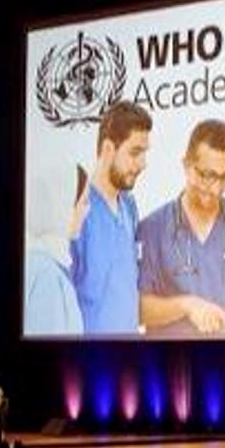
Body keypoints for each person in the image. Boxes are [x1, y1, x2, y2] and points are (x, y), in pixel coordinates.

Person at [137, 120, 225, 334]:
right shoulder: (152, 230)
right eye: (207, 176)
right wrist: (187, 306)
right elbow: (138, 308)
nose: (216, 188)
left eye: (224, 176)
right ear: (187, 166)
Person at [71, 101, 152, 334]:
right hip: (90, 353)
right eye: (135, 153)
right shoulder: (78, 210)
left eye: (144, 153)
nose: (143, 164)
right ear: (108, 149)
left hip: (130, 351)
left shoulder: (129, 206)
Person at [24, 147, 84, 335]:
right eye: (84, 202)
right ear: (64, 207)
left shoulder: (36, 263)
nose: (87, 210)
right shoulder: (48, 277)